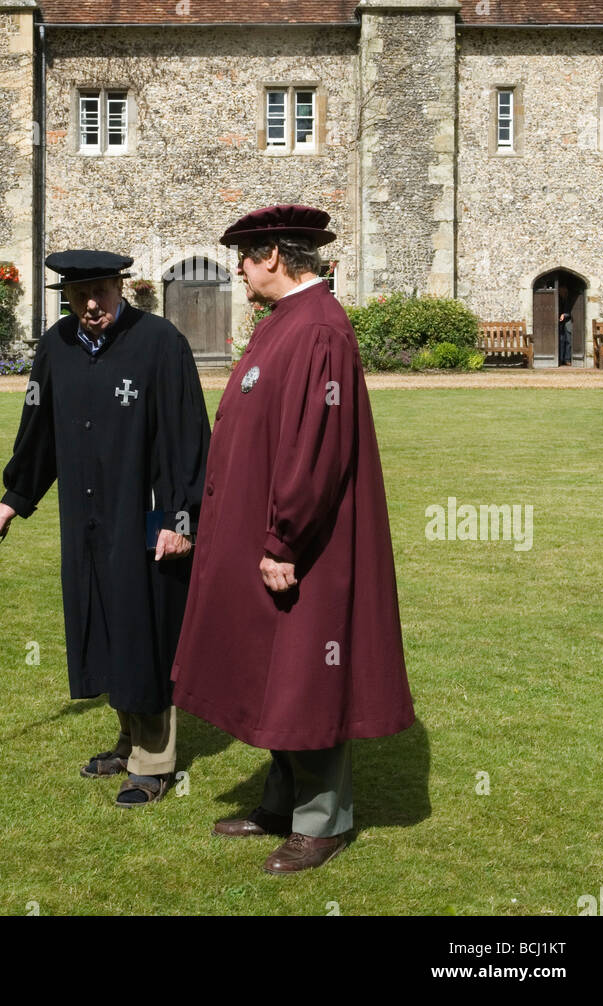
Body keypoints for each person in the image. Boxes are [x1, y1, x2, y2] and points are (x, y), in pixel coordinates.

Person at [172, 205, 415, 873]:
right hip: (265, 538)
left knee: (310, 675)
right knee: (274, 672)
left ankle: (324, 821)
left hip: (305, 548)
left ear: (273, 257)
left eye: (245, 260)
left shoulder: (319, 332)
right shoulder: (285, 325)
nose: (240, 273)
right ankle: (281, 801)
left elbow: (315, 450)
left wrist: (283, 542)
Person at [0, 250, 211, 807]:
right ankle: (128, 739)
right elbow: (38, 431)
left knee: (143, 628)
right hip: (84, 519)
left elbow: (187, 441)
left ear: (119, 288)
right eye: (78, 296)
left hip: (145, 519)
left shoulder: (160, 343)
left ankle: (154, 762)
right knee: (104, 626)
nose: (90, 305)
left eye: (101, 293)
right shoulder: (56, 347)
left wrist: (179, 521)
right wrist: (15, 498)